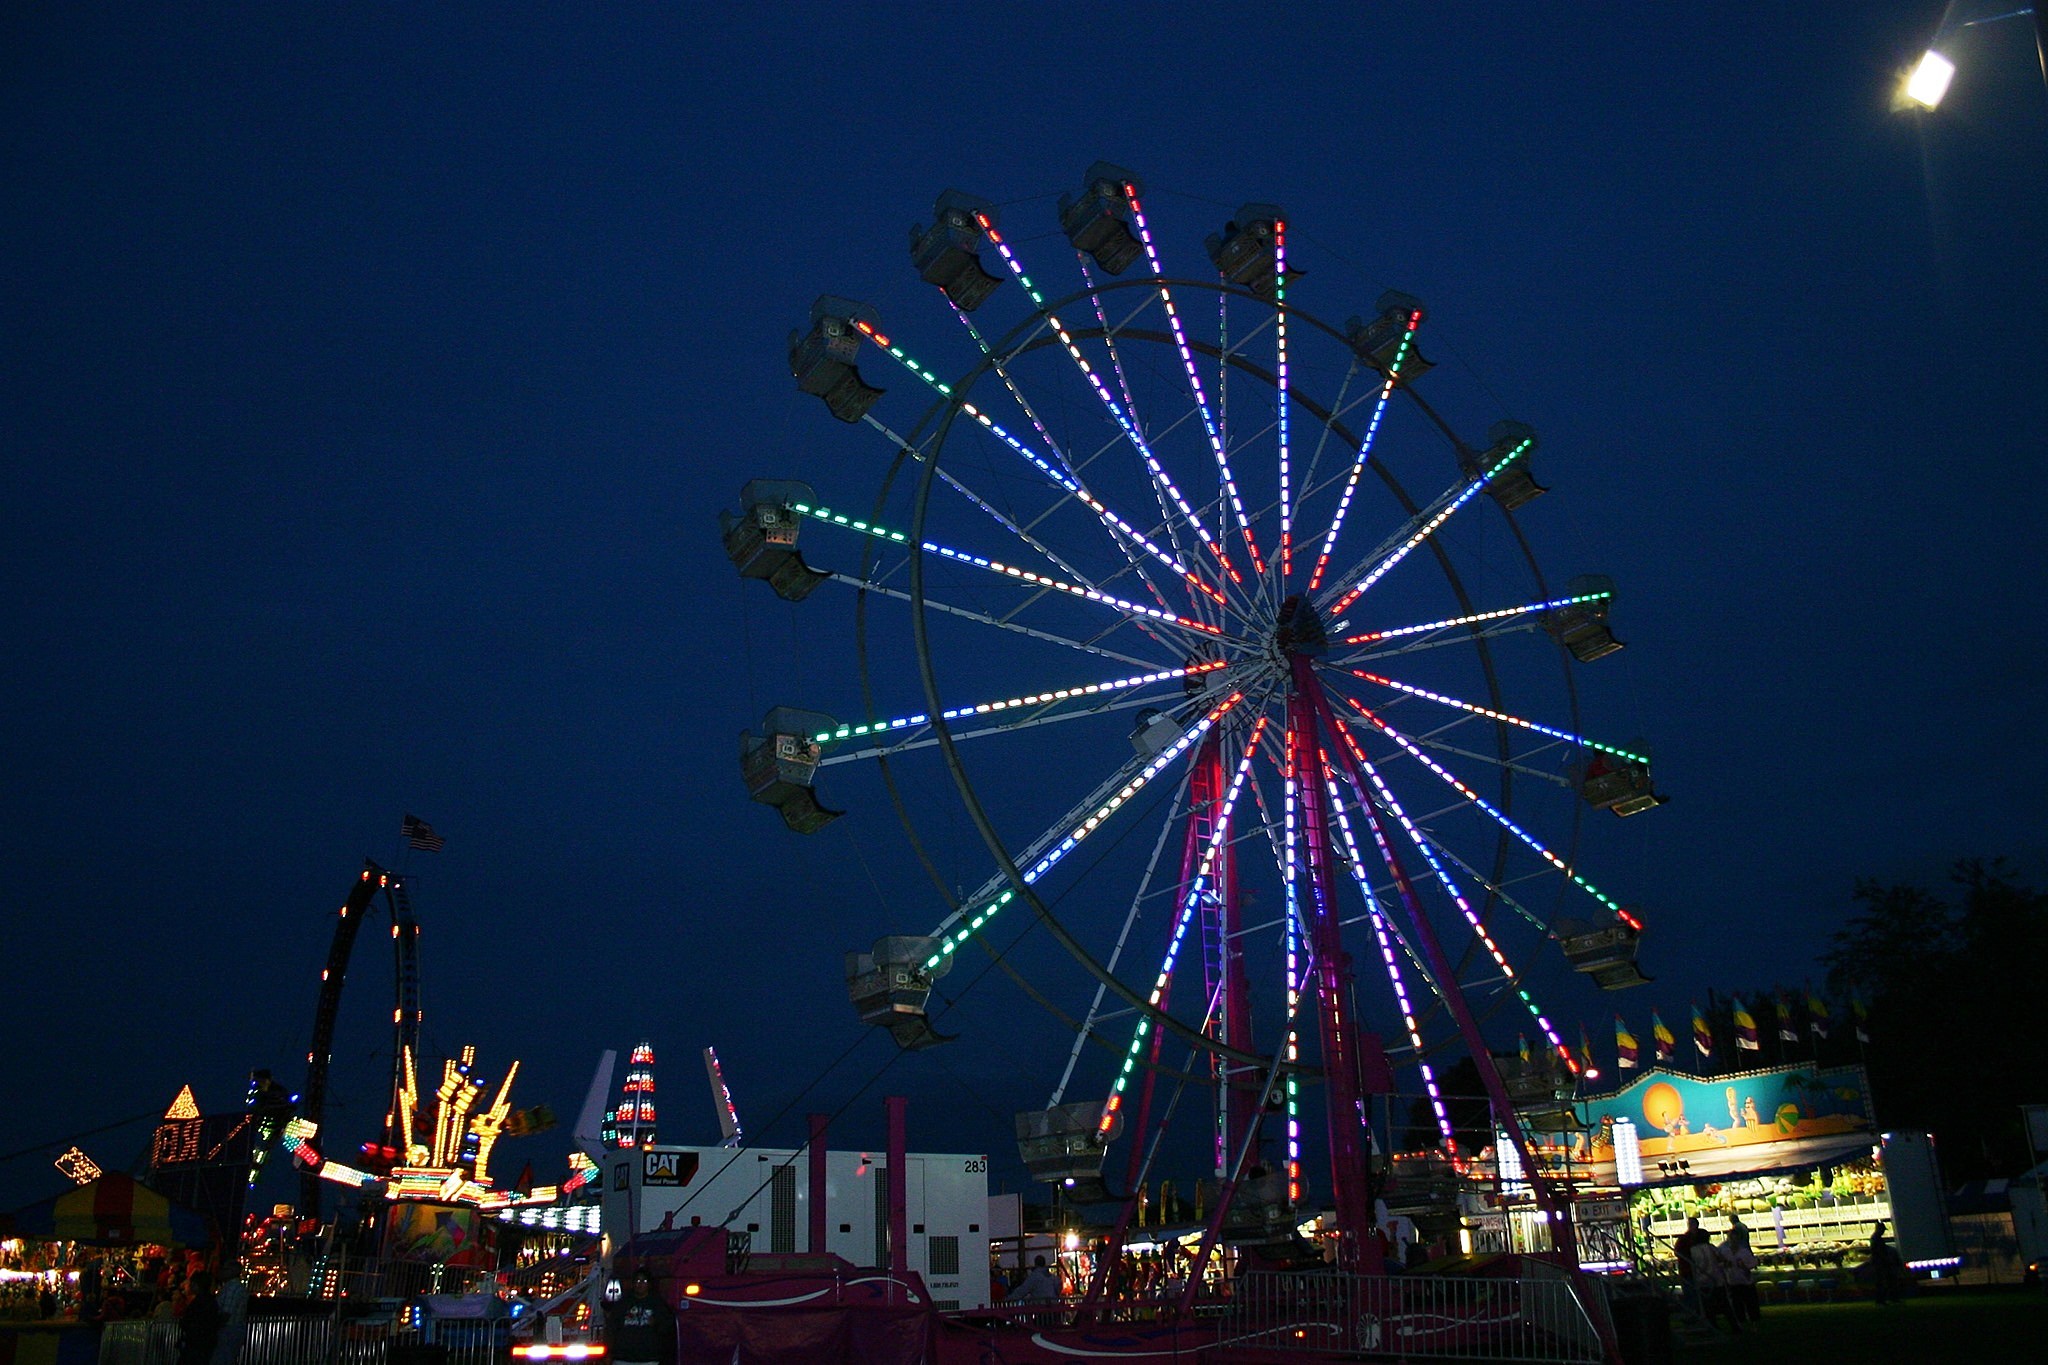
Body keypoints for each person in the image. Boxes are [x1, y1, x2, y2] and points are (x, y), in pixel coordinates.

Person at [602, 1268, 676, 1365]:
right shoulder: (623, 1303)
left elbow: (667, 1328)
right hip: (623, 1358)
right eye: (637, 1281)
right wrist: (609, 1354)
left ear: (649, 1284)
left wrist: (656, 1323)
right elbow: (612, 1328)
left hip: (649, 1359)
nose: (640, 1284)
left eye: (643, 1281)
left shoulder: (657, 1303)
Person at [1688, 1238, 1739, 1334]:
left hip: (1703, 1281)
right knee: (1725, 1305)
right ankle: (1734, 1326)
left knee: (1708, 1307)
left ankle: (1713, 1326)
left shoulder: (1693, 1249)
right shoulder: (1711, 1248)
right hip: (1717, 1280)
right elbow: (1722, 1259)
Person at [1718, 1219, 1760, 1326]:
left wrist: (1745, 1266)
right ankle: (1742, 1320)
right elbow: (1719, 1262)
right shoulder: (1724, 1251)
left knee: (1749, 1303)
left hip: (1745, 1281)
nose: (1732, 1241)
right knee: (1737, 1304)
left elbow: (1753, 1263)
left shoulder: (1743, 1251)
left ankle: (1753, 1320)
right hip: (1733, 1281)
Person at [175, 1272, 222, 1365]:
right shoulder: (210, 1301)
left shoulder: (199, 1303)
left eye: (192, 1284)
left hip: (196, 1344)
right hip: (203, 1343)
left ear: (196, 1285)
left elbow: (190, 1321)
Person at [211, 1260, 249, 1365]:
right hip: (232, 1329)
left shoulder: (232, 1288)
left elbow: (226, 1313)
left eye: (225, 1269)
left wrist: (213, 1327)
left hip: (228, 1330)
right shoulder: (232, 1287)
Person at [1671, 1217, 1706, 1321]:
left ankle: (1697, 1313)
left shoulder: (1695, 1237)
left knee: (1695, 1293)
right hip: (1689, 1270)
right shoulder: (1686, 1238)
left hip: (1697, 1269)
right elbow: (1678, 1252)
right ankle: (1694, 1314)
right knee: (1691, 1294)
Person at [1868, 1222, 1903, 1305]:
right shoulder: (1877, 1238)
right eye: (1883, 1230)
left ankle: (1883, 1300)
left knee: (1883, 1282)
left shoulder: (1875, 1237)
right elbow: (1879, 1251)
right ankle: (1885, 1300)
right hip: (1881, 1263)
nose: (1883, 1232)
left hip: (1879, 1262)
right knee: (1885, 1281)